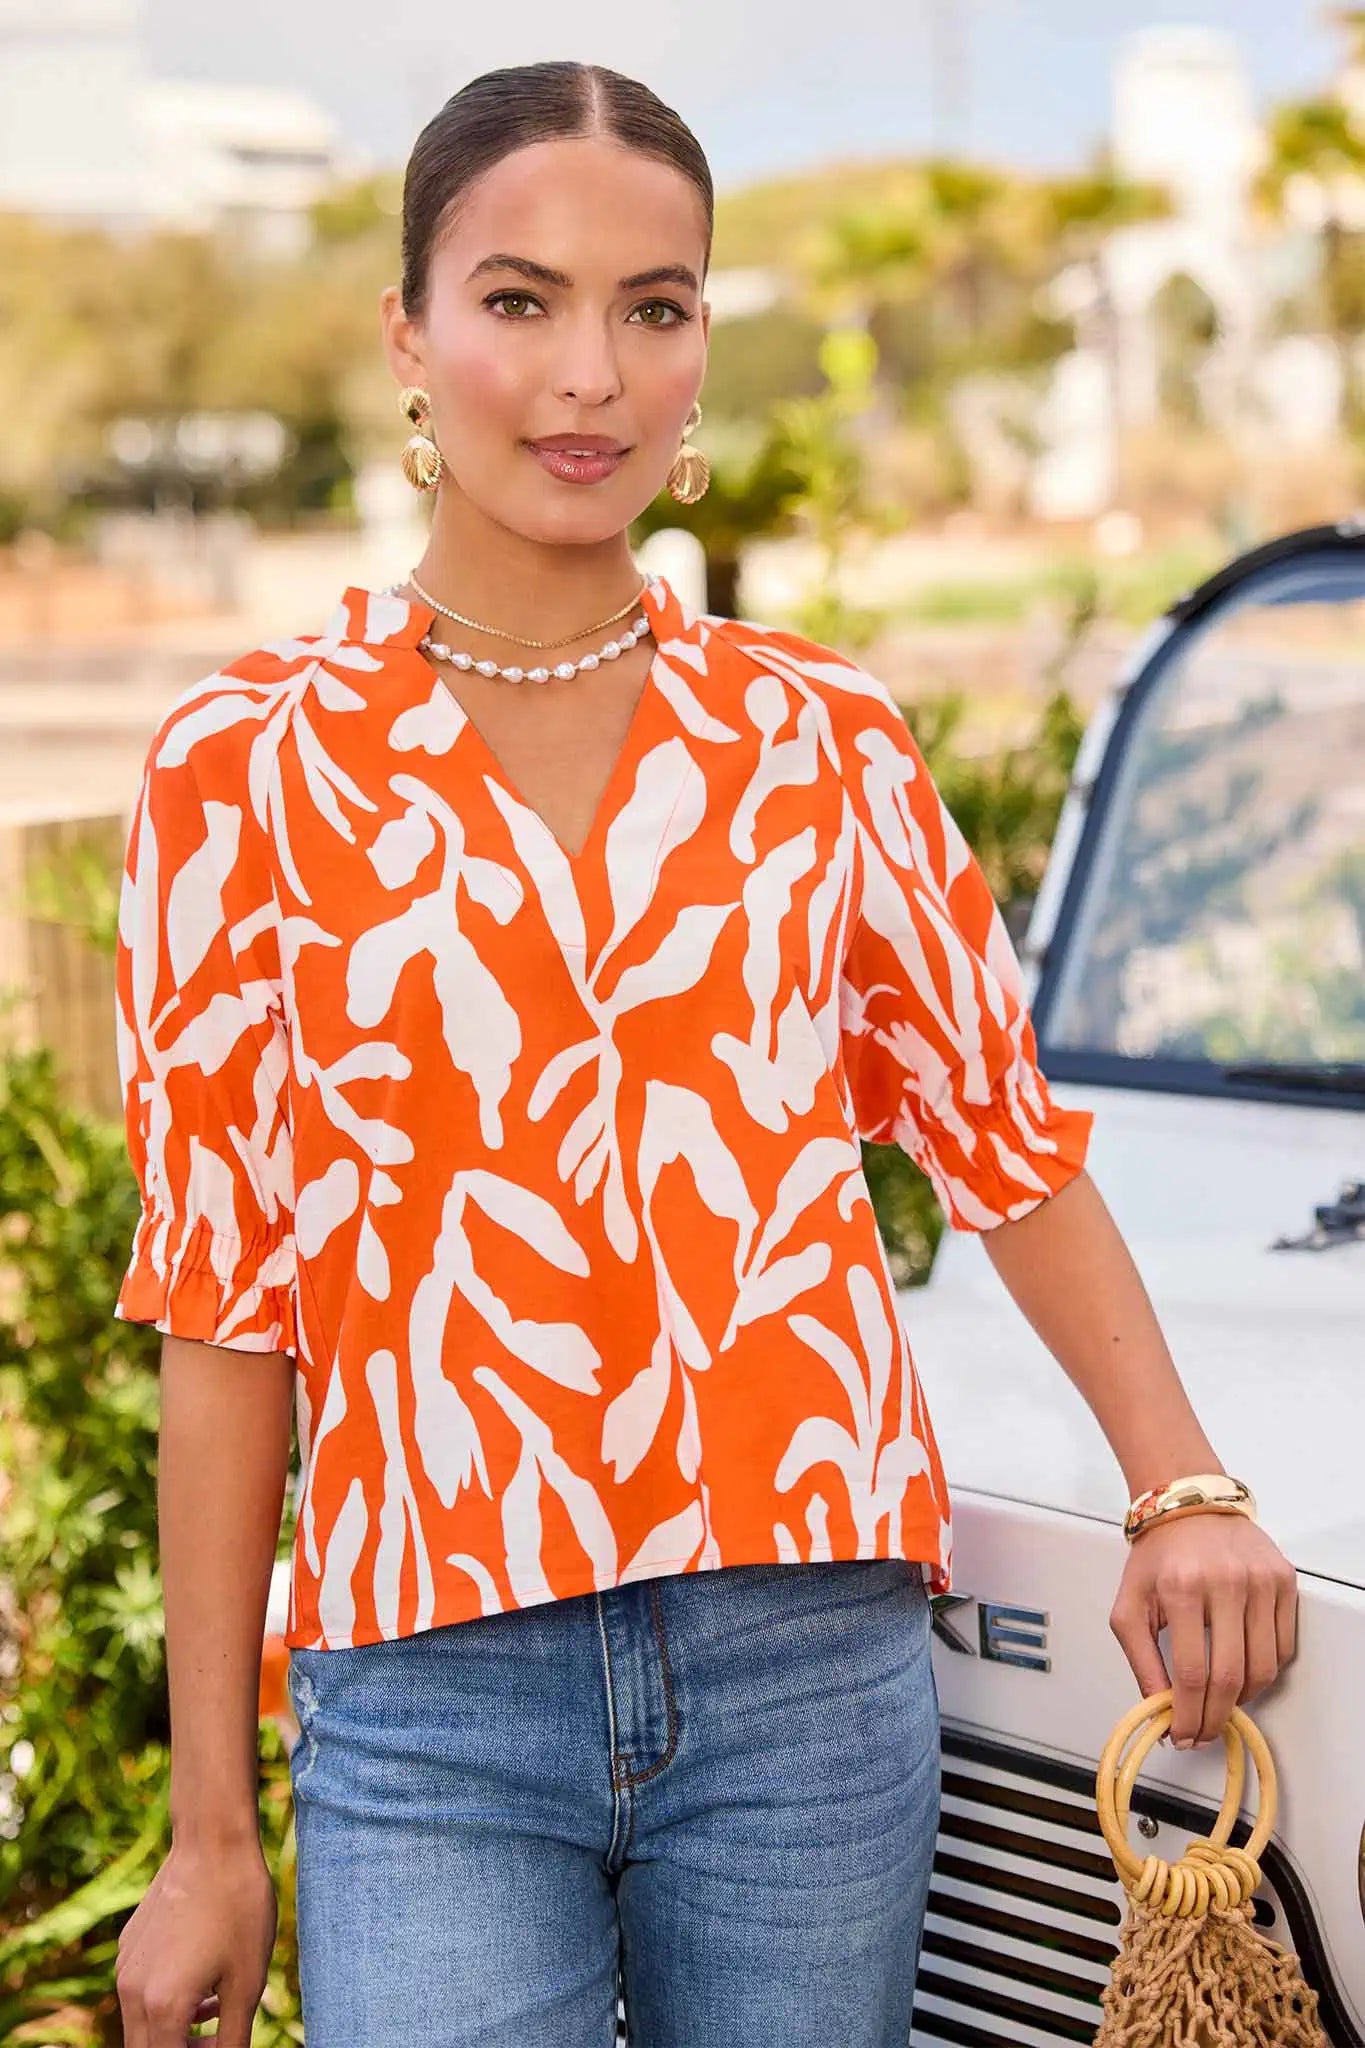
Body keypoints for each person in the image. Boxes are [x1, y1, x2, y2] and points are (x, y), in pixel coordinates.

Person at [109, 58, 1299, 2048]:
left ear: (696, 353)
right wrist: (207, 1831)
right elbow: (223, 1299)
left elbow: (997, 1143)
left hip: (801, 1668)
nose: (590, 372)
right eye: (520, 299)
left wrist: (1178, 1480)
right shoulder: (241, 766)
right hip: (428, 1693)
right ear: (407, 334)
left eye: (653, 308)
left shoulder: (824, 740)